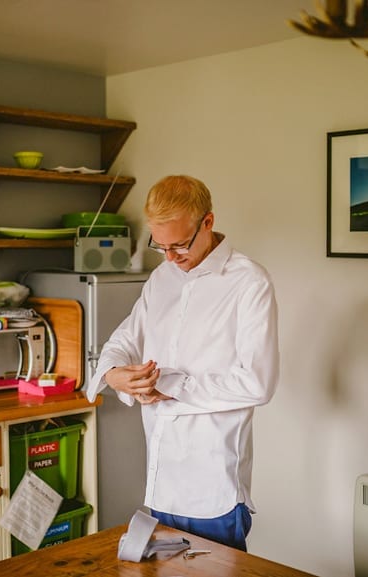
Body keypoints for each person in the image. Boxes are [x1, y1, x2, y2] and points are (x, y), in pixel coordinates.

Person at [85, 174, 279, 551]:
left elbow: (257, 383)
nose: (172, 258)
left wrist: (167, 385)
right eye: (161, 247)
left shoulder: (249, 283)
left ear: (208, 222)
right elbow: (123, 340)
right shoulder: (162, 278)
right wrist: (113, 374)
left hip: (214, 492)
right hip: (160, 482)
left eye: (179, 245)